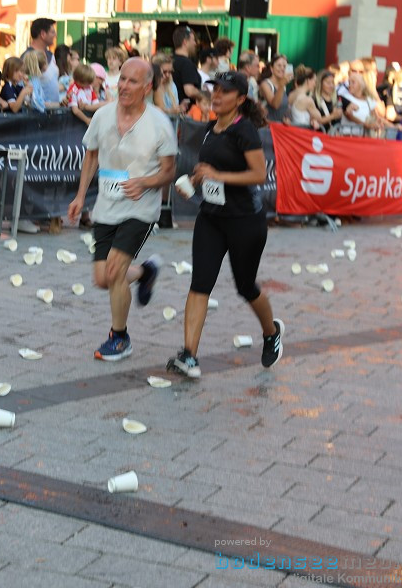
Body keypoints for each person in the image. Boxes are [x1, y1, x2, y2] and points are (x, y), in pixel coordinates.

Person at [171, 71, 285, 378]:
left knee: (245, 286)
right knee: (200, 283)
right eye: (214, 89)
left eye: (224, 91)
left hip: (245, 221)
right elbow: (213, 167)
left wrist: (220, 176)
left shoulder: (244, 130)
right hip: (211, 218)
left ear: (241, 99)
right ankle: (190, 355)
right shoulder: (211, 128)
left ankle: (271, 331)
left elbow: (259, 174)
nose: (216, 95)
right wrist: (199, 176)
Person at [67, 57, 177, 361]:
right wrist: (79, 197)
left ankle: (119, 337)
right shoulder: (102, 116)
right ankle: (145, 272)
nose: (124, 86)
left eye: (132, 81)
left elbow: (169, 172)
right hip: (106, 205)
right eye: (122, 80)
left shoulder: (159, 124)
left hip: (141, 208)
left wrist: (144, 183)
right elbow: (91, 157)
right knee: (102, 279)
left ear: (147, 87)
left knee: (114, 271)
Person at [23, 18, 60, 102]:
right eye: (52, 32)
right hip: (39, 111)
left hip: (53, 111)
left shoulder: (51, 55)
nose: (55, 35)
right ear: (43, 34)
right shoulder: (28, 57)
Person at [171, 25, 202, 109]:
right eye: (193, 40)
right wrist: (205, 95)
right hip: (185, 115)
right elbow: (190, 91)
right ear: (185, 42)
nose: (195, 43)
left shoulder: (169, 61)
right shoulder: (186, 64)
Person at [259, 54, 291, 122]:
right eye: (279, 65)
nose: (282, 68)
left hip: (279, 128)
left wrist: (287, 117)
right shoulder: (265, 84)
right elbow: (275, 105)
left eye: (284, 66)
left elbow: (285, 107)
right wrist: (282, 85)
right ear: (271, 68)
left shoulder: (283, 86)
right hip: (267, 127)